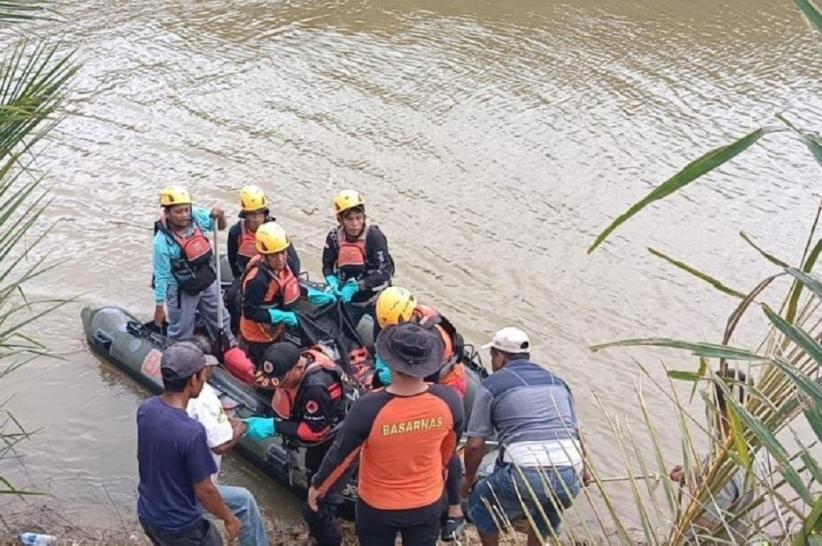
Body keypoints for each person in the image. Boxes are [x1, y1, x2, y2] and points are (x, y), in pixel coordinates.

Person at [306, 323, 464, 546]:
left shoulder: (368, 407)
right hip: (426, 501)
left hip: (378, 506)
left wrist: (318, 489)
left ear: (388, 361)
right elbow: (449, 451)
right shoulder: (450, 401)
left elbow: (341, 457)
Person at [462, 327, 589, 546]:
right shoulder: (557, 382)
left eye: (493, 354)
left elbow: (474, 445)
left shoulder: (493, 384)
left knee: (480, 506)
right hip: (570, 473)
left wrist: (468, 480)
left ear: (500, 357)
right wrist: (585, 472)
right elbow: (576, 433)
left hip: (526, 473)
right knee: (546, 515)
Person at [374, 286, 468, 541]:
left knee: (443, 444)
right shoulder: (404, 320)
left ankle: (454, 508)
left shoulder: (432, 339)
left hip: (446, 382)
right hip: (425, 374)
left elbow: (421, 380)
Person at [243, 342, 349, 546]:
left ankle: (328, 534)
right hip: (305, 418)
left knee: (318, 501)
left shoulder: (316, 388)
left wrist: (275, 425)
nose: (280, 385)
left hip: (328, 442)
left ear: (299, 368)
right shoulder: (293, 368)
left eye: (284, 380)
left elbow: (316, 432)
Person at [137, 342, 240, 546]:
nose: (204, 381)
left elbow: (143, 457)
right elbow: (205, 490)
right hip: (181, 527)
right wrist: (229, 518)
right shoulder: (191, 432)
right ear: (193, 379)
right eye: (202, 376)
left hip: (148, 514)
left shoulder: (146, 409)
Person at [184, 337, 268, 546]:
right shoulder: (203, 398)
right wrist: (243, 427)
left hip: (172, 484)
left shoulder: (176, 392)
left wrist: (227, 421)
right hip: (192, 487)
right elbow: (220, 445)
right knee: (244, 502)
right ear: (206, 366)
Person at [668, 369, 766, 542]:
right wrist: (695, 473)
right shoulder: (759, 443)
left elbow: (704, 527)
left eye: (709, 403)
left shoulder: (728, 467)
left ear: (723, 413)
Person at [239, 221, 335, 368]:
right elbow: (250, 311)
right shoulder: (258, 281)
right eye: (274, 256)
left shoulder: (285, 264)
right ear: (264, 255)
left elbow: (289, 287)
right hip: (257, 338)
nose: (280, 259)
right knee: (266, 368)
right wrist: (282, 316)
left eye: (282, 253)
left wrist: (310, 294)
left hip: (275, 330)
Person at [152, 187, 236, 348]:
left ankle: (228, 347)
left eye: (186, 210)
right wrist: (159, 307)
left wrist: (221, 216)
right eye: (178, 212)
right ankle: (178, 355)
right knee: (181, 329)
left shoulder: (196, 217)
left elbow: (219, 226)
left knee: (221, 317)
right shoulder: (161, 242)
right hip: (181, 288)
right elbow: (161, 276)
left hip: (206, 279)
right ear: (167, 213)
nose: (184, 215)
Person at [225, 185, 301, 333]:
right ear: (245, 214)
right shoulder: (236, 232)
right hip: (249, 276)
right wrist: (241, 279)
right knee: (233, 296)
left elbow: (294, 262)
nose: (256, 218)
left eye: (259, 213)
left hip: (275, 274)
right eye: (252, 214)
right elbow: (232, 257)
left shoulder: (275, 232)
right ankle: (237, 327)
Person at [321, 190, 394, 326]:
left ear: (364, 217)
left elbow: (385, 271)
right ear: (340, 220)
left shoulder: (374, 237)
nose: (355, 224)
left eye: (359, 218)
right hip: (344, 291)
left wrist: (358, 286)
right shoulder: (333, 237)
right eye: (349, 219)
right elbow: (327, 266)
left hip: (373, 293)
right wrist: (331, 281)